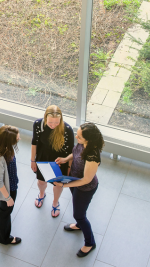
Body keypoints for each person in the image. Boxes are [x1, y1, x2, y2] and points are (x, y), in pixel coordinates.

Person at [54, 122, 104, 257]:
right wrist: (65, 159)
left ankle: (90, 243)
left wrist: (64, 185)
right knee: (79, 210)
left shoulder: (93, 155)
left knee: (79, 215)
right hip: (74, 181)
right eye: (78, 134)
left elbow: (87, 179)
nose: (77, 137)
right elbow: (75, 153)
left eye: (80, 137)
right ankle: (79, 225)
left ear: (89, 139)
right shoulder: (82, 144)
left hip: (85, 188)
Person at [31, 105, 74, 217]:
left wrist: (69, 168)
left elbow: (71, 152)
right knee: (41, 181)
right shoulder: (38, 124)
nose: (53, 125)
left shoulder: (67, 130)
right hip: (43, 158)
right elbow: (34, 143)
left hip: (60, 162)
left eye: (56, 122)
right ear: (45, 118)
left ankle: (55, 202)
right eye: (50, 122)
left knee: (58, 185)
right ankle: (42, 194)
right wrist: (32, 160)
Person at [0, 125, 22, 245]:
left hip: (7, 183)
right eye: (17, 138)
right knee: (6, 212)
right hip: (8, 187)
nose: (19, 139)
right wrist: (8, 198)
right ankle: (4, 238)